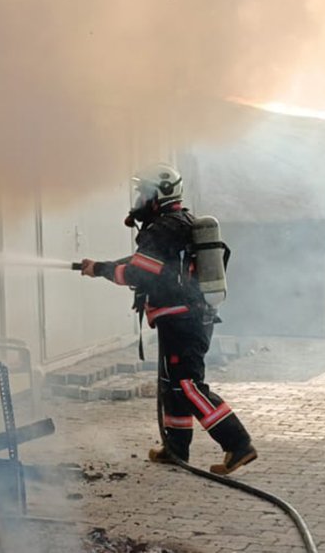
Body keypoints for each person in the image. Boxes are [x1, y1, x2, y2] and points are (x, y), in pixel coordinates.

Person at [78, 163, 257, 475]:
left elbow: (136, 272)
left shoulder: (163, 229)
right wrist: (99, 267)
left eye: (144, 193)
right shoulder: (175, 223)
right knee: (171, 384)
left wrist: (104, 271)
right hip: (183, 317)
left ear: (160, 194)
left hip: (182, 319)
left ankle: (238, 444)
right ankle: (175, 449)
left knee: (187, 385)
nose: (138, 199)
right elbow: (147, 264)